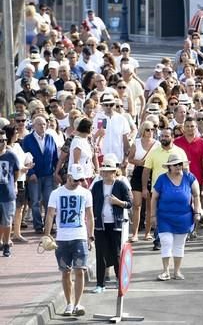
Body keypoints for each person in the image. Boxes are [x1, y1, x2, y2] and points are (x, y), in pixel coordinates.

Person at [43, 164, 95, 317]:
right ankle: (69, 303)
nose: (78, 182)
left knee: (80, 271)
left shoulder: (86, 193)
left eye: (81, 179)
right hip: (62, 239)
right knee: (66, 272)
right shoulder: (56, 193)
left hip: (79, 237)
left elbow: (90, 216)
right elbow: (50, 214)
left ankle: (77, 303)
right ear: (68, 176)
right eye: (76, 179)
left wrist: (90, 236)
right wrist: (47, 234)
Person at [151, 153, 201, 281]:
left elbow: (196, 195)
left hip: (184, 217)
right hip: (164, 217)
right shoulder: (162, 179)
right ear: (169, 167)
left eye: (180, 164)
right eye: (175, 165)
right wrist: (152, 216)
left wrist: (197, 212)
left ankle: (177, 271)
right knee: (166, 242)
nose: (178, 166)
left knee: (179, 244)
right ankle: (165, 271)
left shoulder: (189, 178)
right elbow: (154, 198)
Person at [90, 157, 132, 294]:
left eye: (109, 171)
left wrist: (118, 202)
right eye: (104, 171)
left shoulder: (121, 185)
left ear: (115, 172)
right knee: (100, 253)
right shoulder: (96, 186)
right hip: (100, 224)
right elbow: (90, 204)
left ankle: (120, 281)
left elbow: (129, 203)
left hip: (116, 224)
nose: (106, 174)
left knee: (116, 253)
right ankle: (100, 284)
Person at [22, 115, 59, 234]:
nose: (42, 126)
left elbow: (54, 157)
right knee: (35, 201)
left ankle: (49, 225)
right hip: (35, 175)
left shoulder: (50, 138)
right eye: (39, 124)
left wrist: (56, 172)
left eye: (44, 124)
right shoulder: (27, 139)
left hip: (48, 174)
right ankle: (38, 225)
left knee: (49, 201)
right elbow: (25, 158)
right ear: (33, 126)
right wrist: (30, 172)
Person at [127, 120, 159, 243]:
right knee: (137, 204)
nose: (150, 132)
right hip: (138, 172)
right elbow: (129, 158)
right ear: (143, 130)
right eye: (147, 129)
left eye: (152, 129)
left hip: (151, 172)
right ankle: (134, 233)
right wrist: (138, 162)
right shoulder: (136, 143)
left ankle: (147, 233)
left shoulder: (157, 144)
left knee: (150, 206)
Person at [0, 130, 20, 257]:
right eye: (0, 140)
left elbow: (16, 173)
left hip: (7, 195)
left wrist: (12, 185)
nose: (2, 143)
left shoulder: (11, 156)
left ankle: (7, 243)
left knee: (7, 221)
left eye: (4, 140)